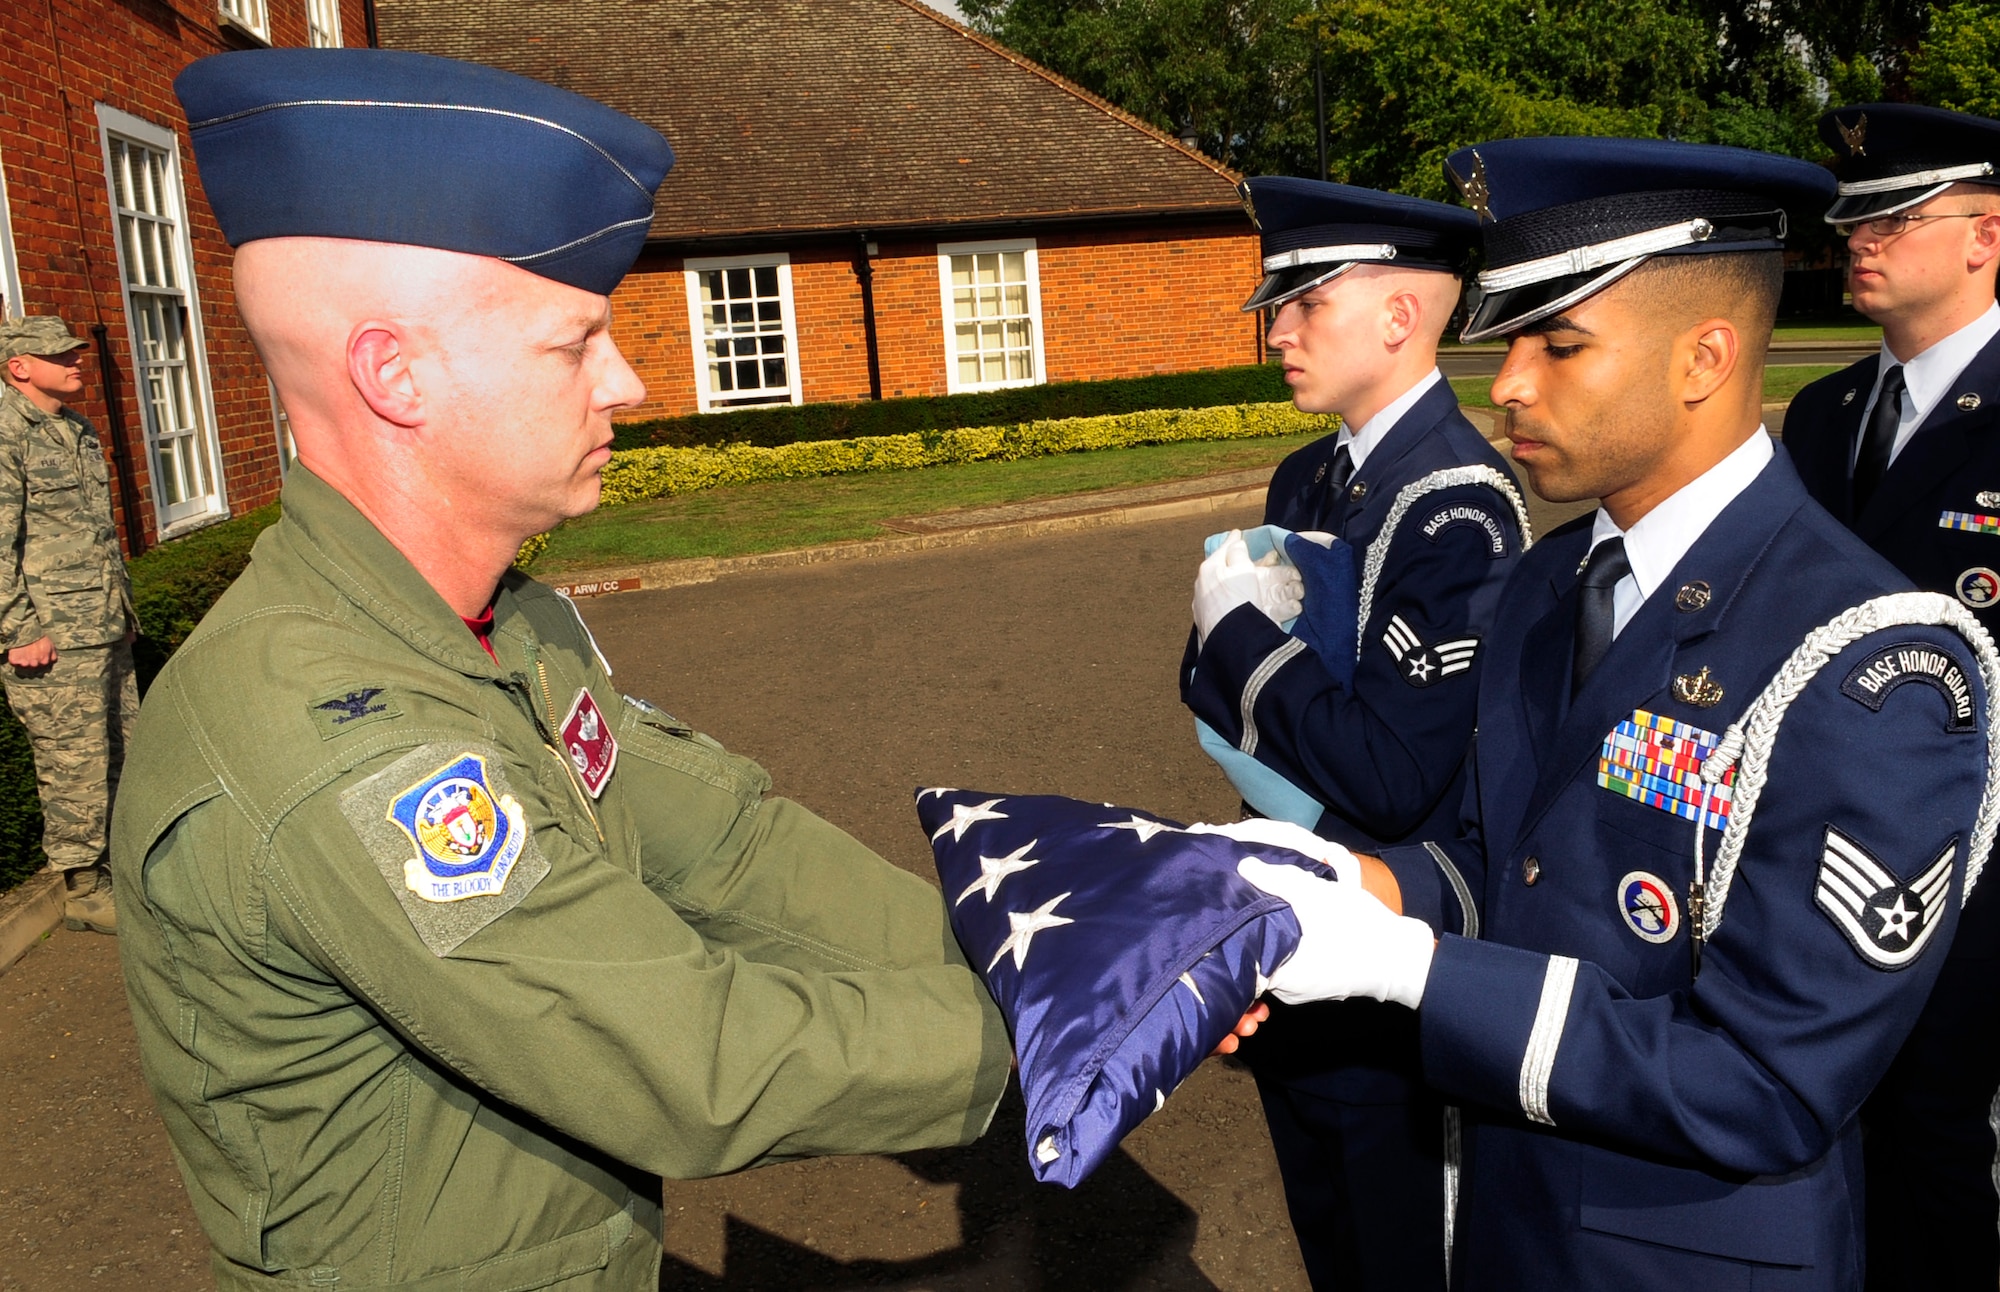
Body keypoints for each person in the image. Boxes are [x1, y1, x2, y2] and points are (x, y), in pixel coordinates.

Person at [111, 48, 1011, 1289]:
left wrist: (1032, 950)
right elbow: (686, 1055)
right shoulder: (334, 740)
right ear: (396, 374)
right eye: (573, 342)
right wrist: (1057, 1023)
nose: (627, 382)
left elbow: (724, 848)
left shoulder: (502, 621)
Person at [1235, 136, 1999, 1290]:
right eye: (1509, 340)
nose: (1505, 383)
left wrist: (1409, 970)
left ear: (1703, 355)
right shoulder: (1547, 587)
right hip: (1504, 1216)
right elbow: (1512, 859)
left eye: (1560, 342)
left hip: (1685, 1250)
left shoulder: (1876, 656)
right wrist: (1336, 892)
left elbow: (1771, 1080)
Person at [1180, 177, 1525, 1291]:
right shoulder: (1311, 472)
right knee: (1327, 1239)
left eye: (1304, 301)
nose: (1275, 328)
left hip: (1383, 968)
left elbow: (1392, 771)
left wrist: (1236, 636)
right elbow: (1206, 707)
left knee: (1396, 1256)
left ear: (1398, 317)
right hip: (1291, 934)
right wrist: (1240, 677)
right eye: (1275, 304)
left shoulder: (1454, 503)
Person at [1782, 102, 2000, 1292]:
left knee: (1929, 1124)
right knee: (1831, 1113)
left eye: (1893, 215)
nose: (1857, 235)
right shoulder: (1820, 415)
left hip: (1975, 860)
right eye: (1851, 214)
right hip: (1820, 840)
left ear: (1984, 236)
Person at [0, 313, 136, 935]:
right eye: (59, 356)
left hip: (100, 624)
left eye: (75, 352)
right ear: (18, 366)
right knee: (71, 762)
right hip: (51, 638)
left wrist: (122, 612)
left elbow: (95, 535)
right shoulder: (6, 432)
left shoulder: (74, 430)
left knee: (119, 752)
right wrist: (17, 630)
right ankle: (83, 890)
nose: (76, 362)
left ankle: (121, 870)